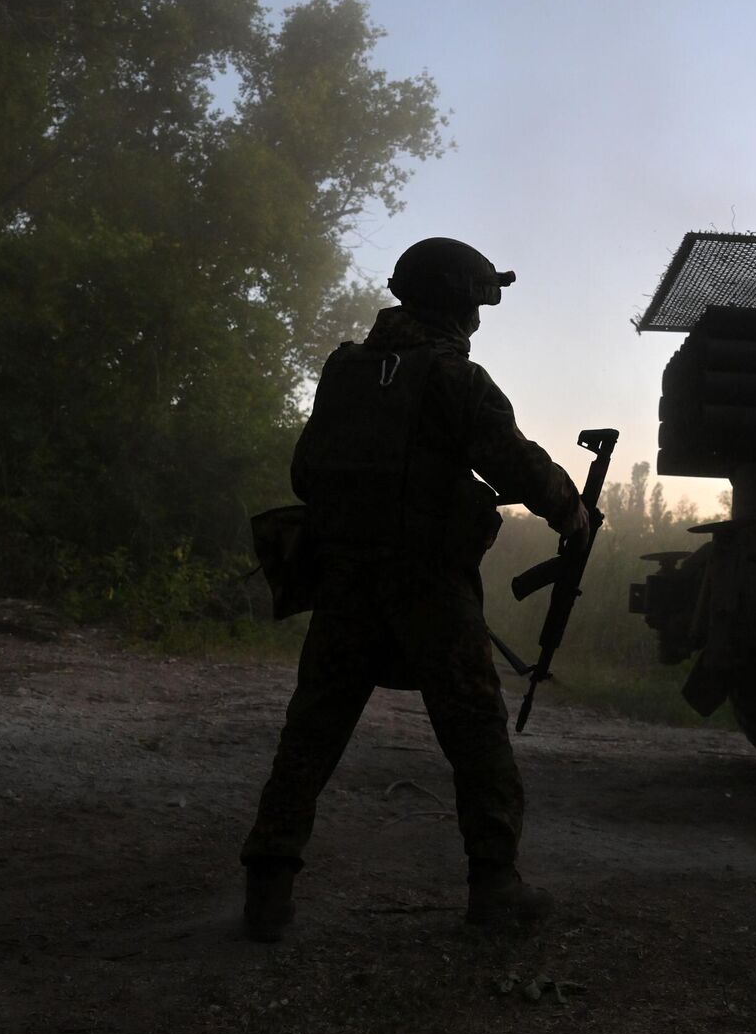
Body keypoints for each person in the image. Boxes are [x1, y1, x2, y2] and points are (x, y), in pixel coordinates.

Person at [239, 237, 589, 942]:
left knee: (311, 732)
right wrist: (570, 509)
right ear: (460, 305)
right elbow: (515, 464)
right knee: (476, 732)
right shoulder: (455, 381)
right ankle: (496, 887)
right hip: (427, 584)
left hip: (343, 580)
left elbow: (306, 474)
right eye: (478, 304)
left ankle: (267, 893)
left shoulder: (345, 372)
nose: (481, 320)